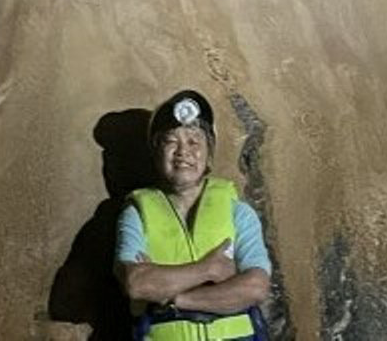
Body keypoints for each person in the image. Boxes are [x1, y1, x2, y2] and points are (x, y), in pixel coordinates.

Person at [114, 89, 273, 340]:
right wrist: (209, 270)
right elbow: (137, 284)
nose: (182, 152)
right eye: (170, 141)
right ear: (156, 152)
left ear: (209, 153)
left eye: (194, 141)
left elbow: (254, 286)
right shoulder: (136, 214)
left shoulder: (238, 213)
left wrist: (176, 297)